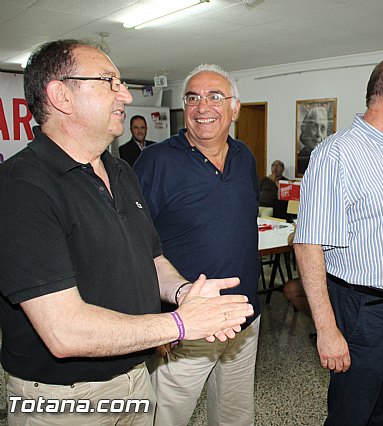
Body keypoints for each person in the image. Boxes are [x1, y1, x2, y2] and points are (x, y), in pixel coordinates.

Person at [0, 39, 253, 425]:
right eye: (109, 82)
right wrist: (179, 324)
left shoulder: (119, 171)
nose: (126, 95)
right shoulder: (21, 186)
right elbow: (64, 332)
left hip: (134, 376)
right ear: (61, 96)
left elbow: (152, 258)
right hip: (65, 397)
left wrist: (183, 293)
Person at [293, 55, 383, 426]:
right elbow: (308, 245)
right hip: (365, 311)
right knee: (353, 414)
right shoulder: (338, 155)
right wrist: (327, 331)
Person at [134, 64, 260, 426]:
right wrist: (156, 322)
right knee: (165, 417)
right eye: (193, 98)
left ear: (235, 108)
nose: (203, 107)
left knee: (235, 415)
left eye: (215, 97)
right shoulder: (156, 162)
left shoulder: (244, 157)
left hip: (244, 318)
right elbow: (136, 245)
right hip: (186, 323)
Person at [296, 106, 328, 175]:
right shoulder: (298, 160)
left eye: (322, 129)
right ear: (304, 128)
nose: (318, 134)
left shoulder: (329, 161)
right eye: (314, 127)